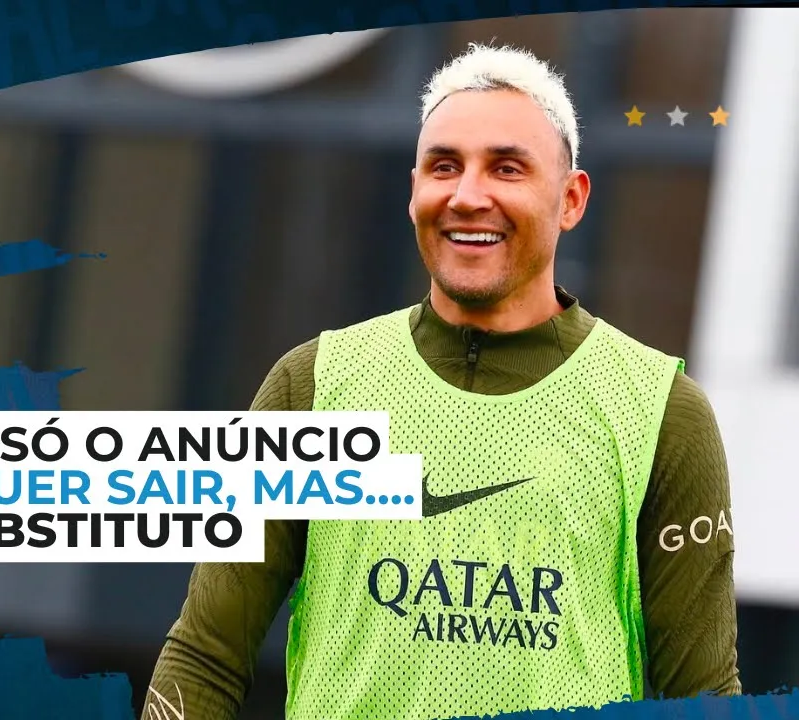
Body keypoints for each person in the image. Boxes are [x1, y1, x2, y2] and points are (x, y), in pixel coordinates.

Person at [144, 42, 741, 720]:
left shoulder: (661, 413)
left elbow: (705, 696)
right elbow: (206, 655)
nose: (467, 196)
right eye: (444, 166)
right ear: (415, 192)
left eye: (507, 168)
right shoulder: (312, 388)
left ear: (571, 199)